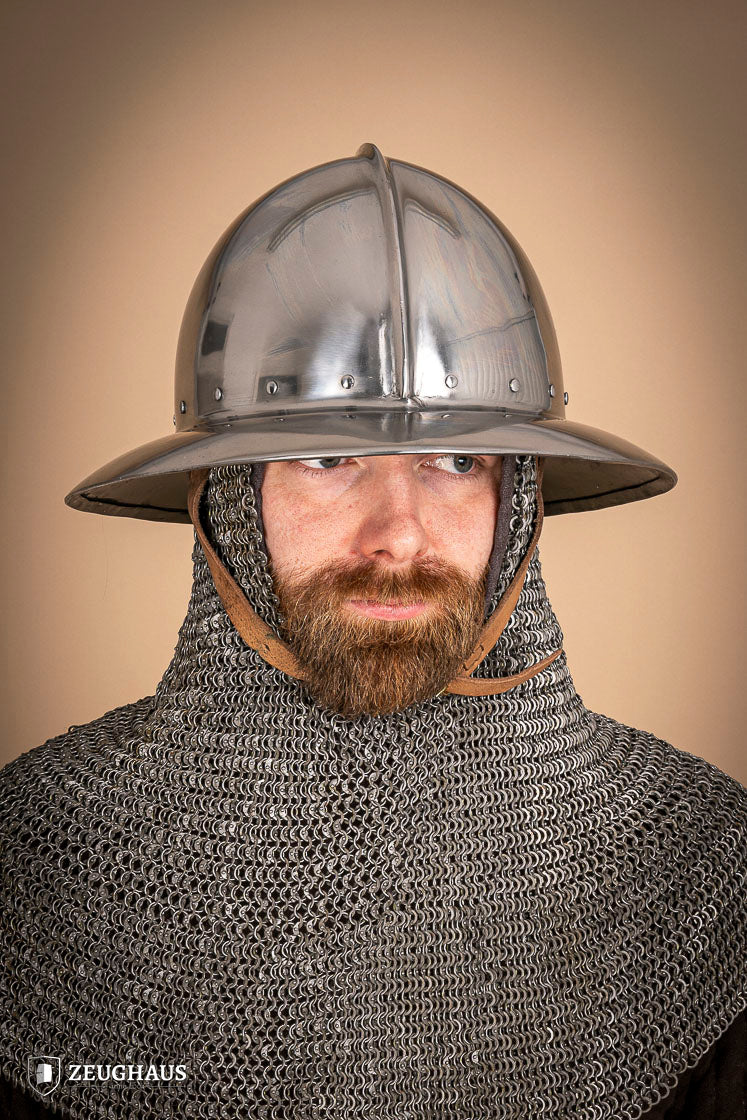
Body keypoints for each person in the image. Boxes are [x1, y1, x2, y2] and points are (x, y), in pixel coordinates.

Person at [1, 144, 744, 1120]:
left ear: (517, 503)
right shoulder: (36, 872)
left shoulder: (697, 880)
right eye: (324, 456)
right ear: (227, 499)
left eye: (454, 458)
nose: (399, 532)